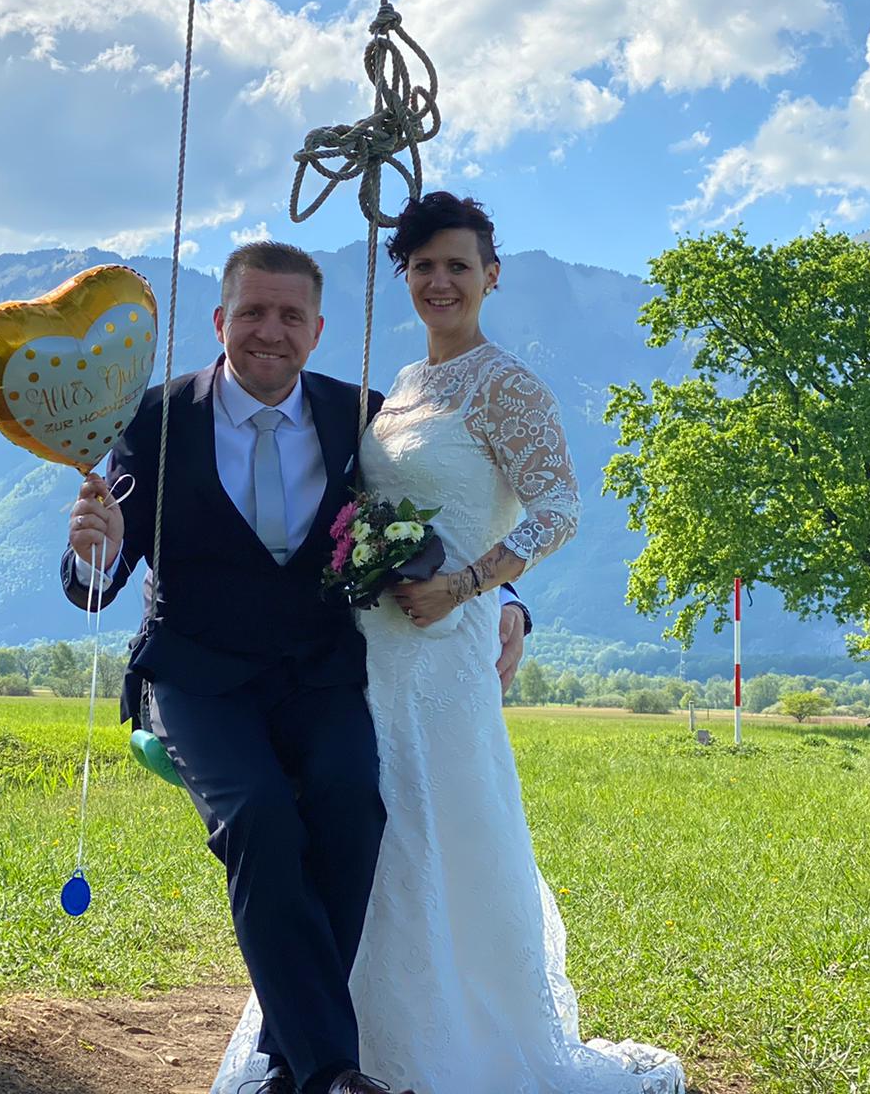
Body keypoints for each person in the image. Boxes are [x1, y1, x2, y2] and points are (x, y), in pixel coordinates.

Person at [209, 196, 686, 1093]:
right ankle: (330, 1051)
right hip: (367, 656)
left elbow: (559, 507)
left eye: (458, 266)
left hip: (443, 651)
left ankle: (446, 1049)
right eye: (423, 266)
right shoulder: (404, 383)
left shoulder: (508, 385)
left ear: (490, 277)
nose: (440, 282)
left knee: (436, 833)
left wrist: (475, 586)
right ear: (406, 277)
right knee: (354, 836)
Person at [60, 241, 529, 1094]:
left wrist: (507, 601)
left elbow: (441, 517)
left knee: (354, 811)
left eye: (288, 316)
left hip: (319, 675)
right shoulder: (154, 419)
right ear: (220, 321)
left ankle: (292, 1060)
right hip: (197, 678)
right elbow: (96, 578)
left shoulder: (359, 415)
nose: (269, 332)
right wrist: (97, 549)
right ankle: (329, 1074)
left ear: (316, 330)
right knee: (262, 821)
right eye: (252, 312)